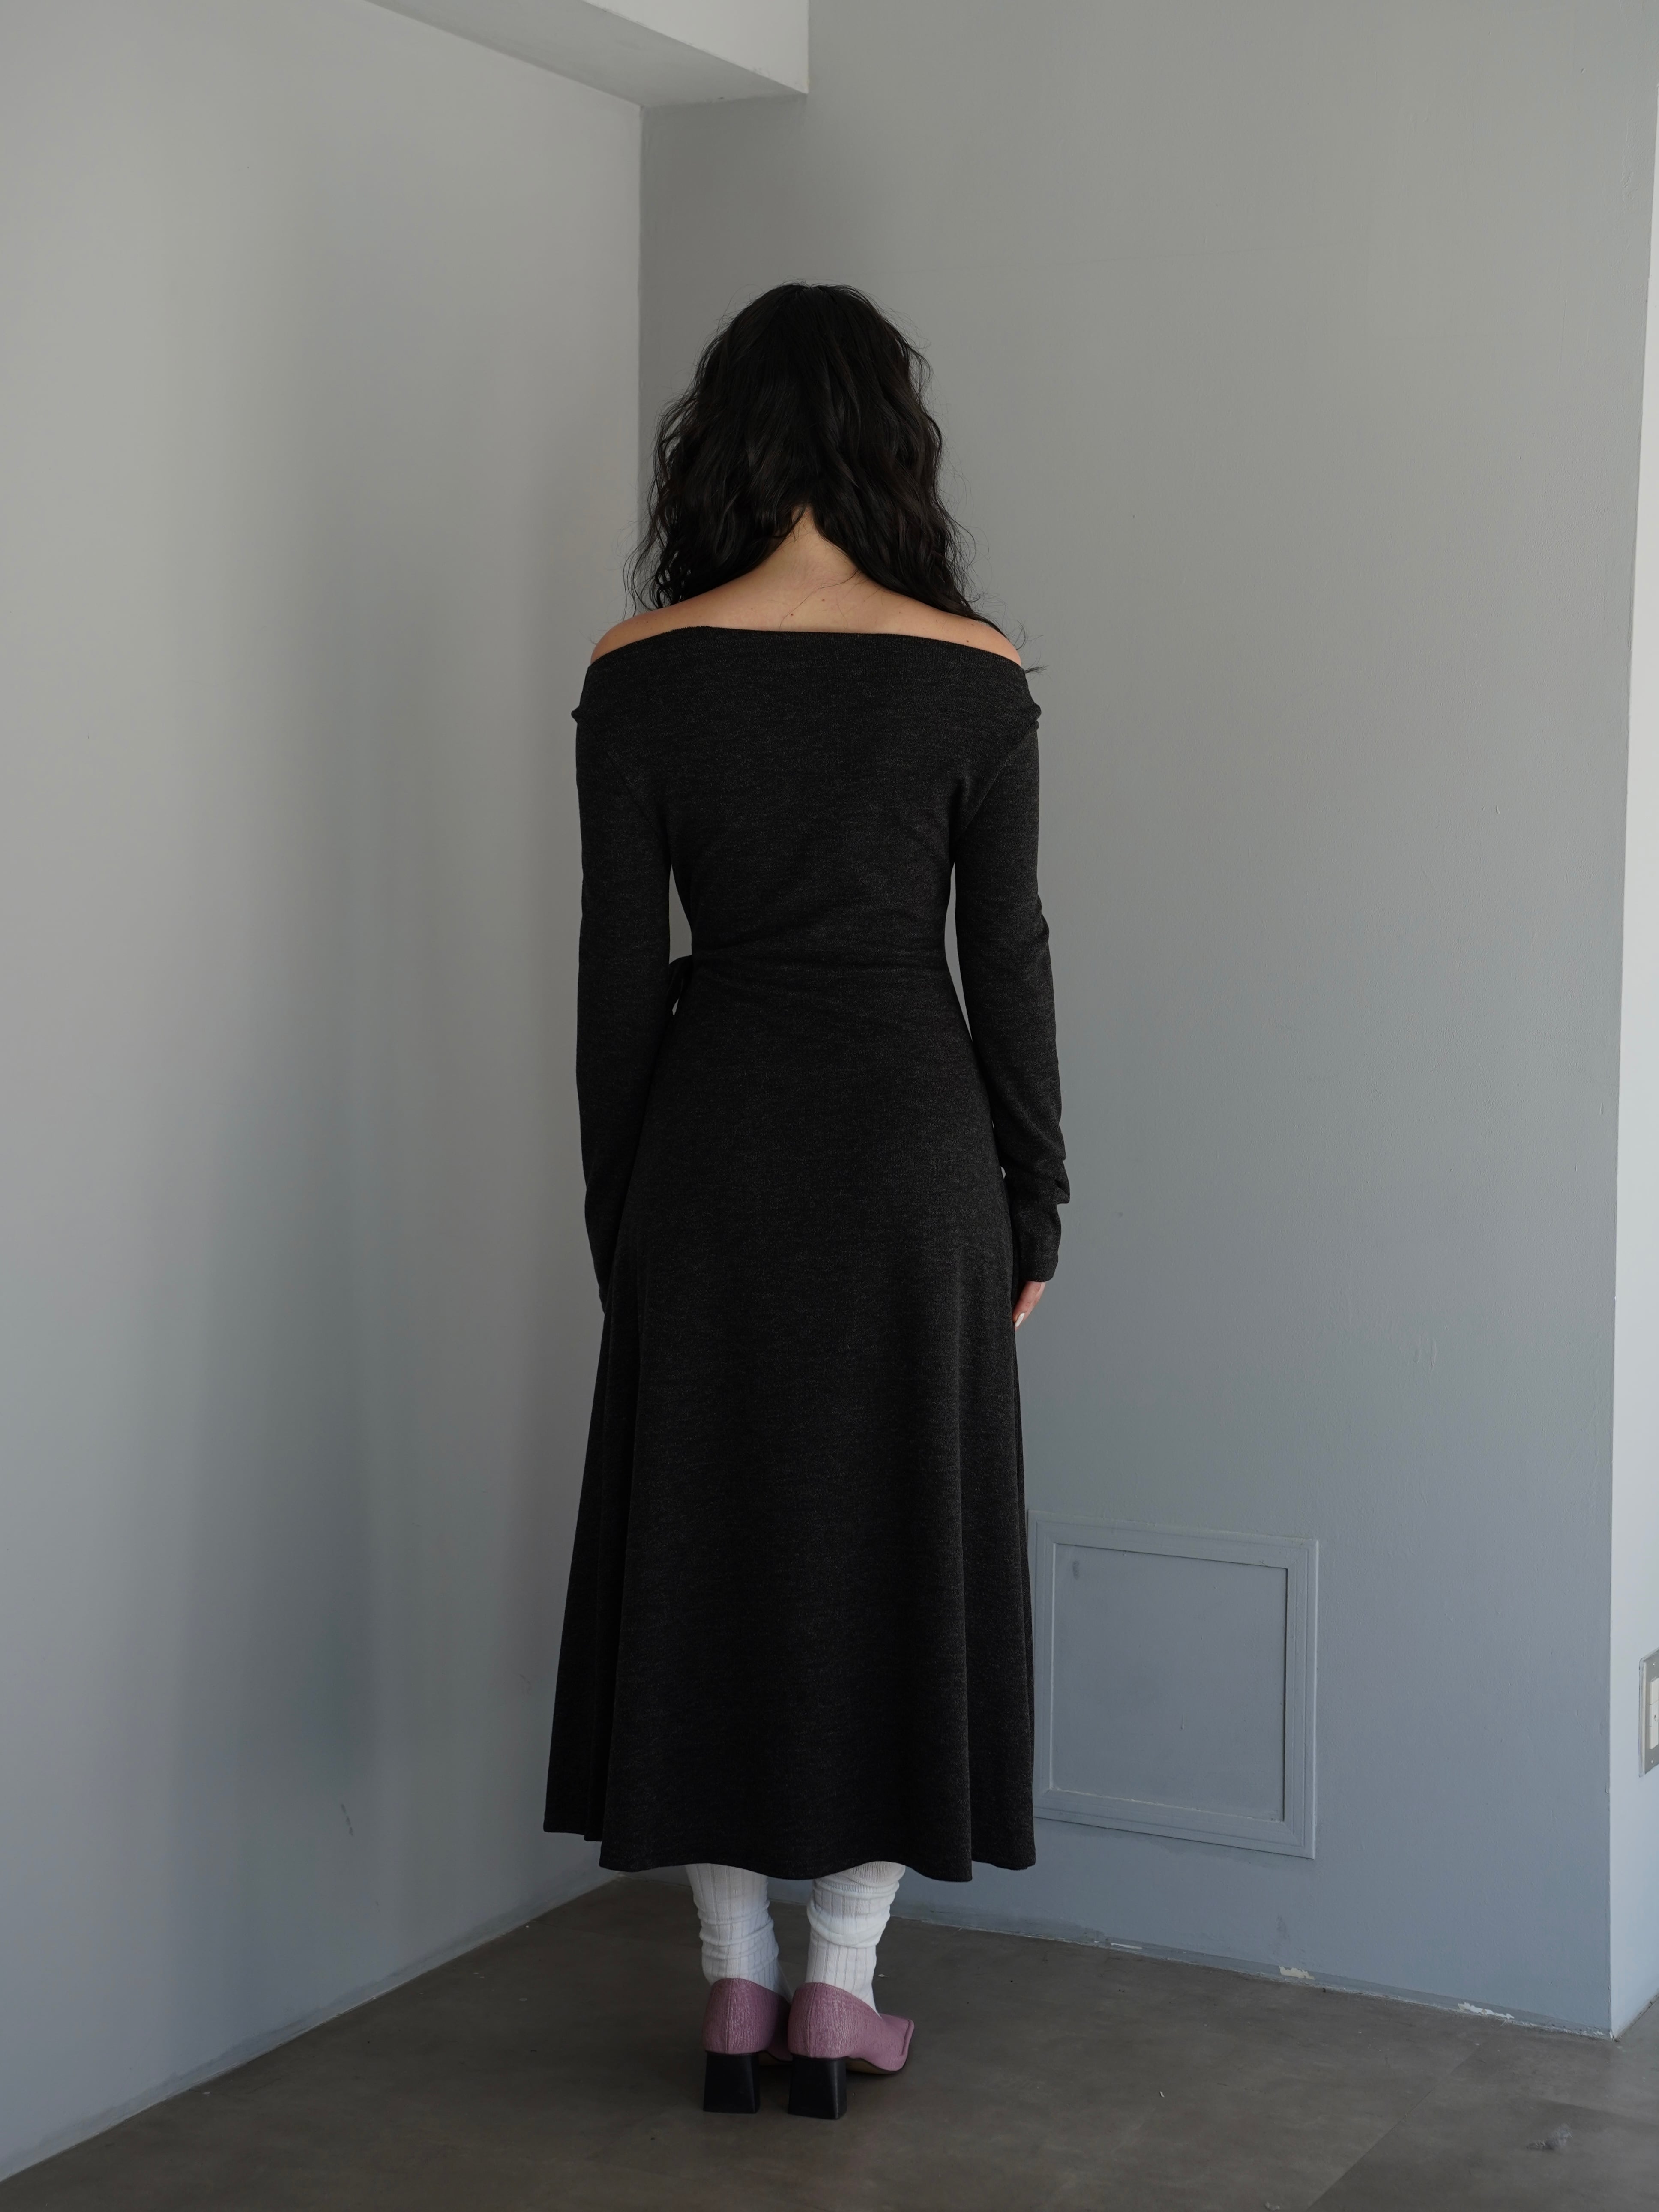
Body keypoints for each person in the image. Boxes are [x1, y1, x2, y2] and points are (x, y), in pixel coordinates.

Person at [543, 283, 1068, 2122]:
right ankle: (841, 1985)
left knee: (711, 1535)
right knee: (898, 1539)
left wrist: (622, 1213)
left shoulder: (641, 668)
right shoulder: (972, 668)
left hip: (711, 1152)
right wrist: (1034, 1200)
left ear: (724, 441)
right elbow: (1008, 958)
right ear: (888, 442)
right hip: (914, 1151)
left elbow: (616, 983)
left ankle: (734, 1983)